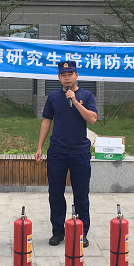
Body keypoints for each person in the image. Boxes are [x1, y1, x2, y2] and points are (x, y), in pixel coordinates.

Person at [35, 60, 97, 247]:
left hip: (80, 152)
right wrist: (39, 147)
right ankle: (58, 231)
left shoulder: (86, 95)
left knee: (81, 194)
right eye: (63, 75)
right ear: (59, 77)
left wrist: (75, 101)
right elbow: (46, 121)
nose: (67, 78)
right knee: (55, 193)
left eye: (70, 74)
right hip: (57, 152)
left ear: (76, 75)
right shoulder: (53, 96)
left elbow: (92, 119)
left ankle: (81, 231)